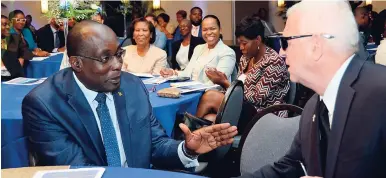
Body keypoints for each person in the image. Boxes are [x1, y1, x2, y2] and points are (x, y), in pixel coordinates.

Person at [22, 20, 238, 168]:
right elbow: (78, 170)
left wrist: (186, 149)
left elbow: (156, 145)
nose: (119, 65)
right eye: (105, 58)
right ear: (76, 63)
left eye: (118, 54)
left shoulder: (132, 86)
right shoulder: (45, 104)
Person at [239, 1, 386, 178]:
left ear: (315, 45)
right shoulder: (313, 107)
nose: (282, 53)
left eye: (286, 42)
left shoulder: (380, 92)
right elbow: (293, 166)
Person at [195, 16, 289, 124]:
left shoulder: (273, 61)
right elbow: (241, 88)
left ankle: (187, 132)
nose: (241, 47)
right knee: (209, 118)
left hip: (264, 114)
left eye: (244, 43)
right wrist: (224, 82)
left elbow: (257, 99)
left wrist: (226, 83)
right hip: (244, 107)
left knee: (211, 96)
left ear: (258, 40)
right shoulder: (246, 58)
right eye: (239, 43)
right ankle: (191, 134)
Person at [160, 15, 236, 85]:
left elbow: (219, 82)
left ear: (220, 30)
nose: (209, 33)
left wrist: (196, 89)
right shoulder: (198, 48)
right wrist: (173, 73)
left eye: (212, 29)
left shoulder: (227, 52)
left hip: (210, 94)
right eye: (205, 30)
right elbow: (187, 72)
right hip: (191, 88)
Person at [1, 15, 33, 80]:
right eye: (4, 25)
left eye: (8, 24)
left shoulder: (16, 38)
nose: (8, 27)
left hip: (15, 76)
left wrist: (21, 59)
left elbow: (27, 53)